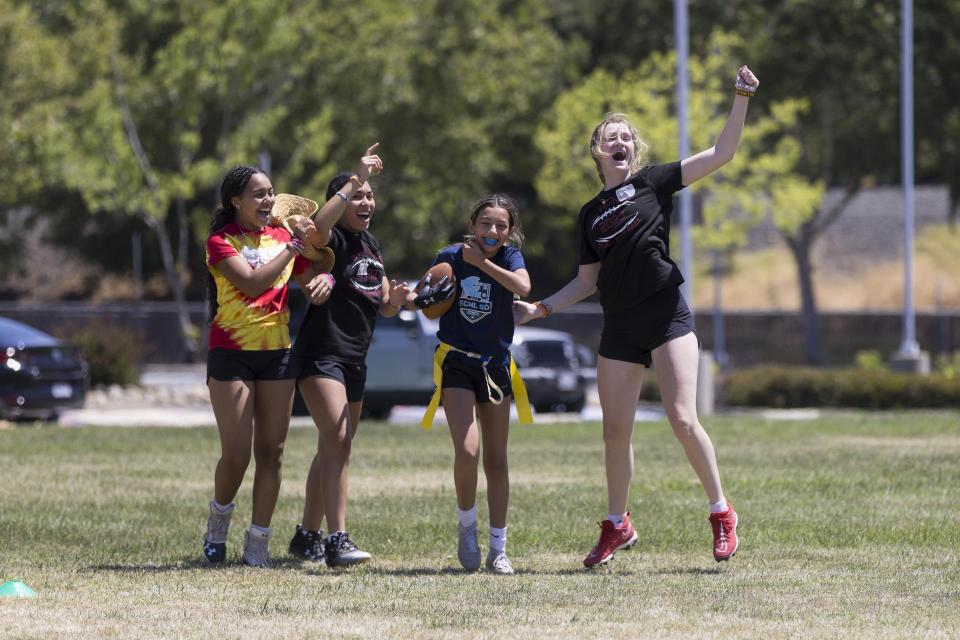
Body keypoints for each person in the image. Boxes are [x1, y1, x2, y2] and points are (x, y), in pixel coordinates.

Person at [515, 65, 759, 567]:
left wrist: (741, 97)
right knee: (613, 431)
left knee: (682, 417)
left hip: (667, 314)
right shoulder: (589, 215)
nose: (620, 141)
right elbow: (587, 282)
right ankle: (617, 524)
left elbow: (722, 154)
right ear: (597, 152)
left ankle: (721, 513)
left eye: (626, 136)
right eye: (611, 137)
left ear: (634, 150)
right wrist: (539, 308)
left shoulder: (652, 183)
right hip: (621, 325)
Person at [202, 165, 334, 567]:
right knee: (237, 453)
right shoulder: (220, 242)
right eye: (257, 194)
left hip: (278, 353)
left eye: (270, 193)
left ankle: (258, 538)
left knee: (273, 453)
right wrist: (293, 249)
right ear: (235, 201)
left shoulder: (283, 238)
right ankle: (218, 521)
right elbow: (254, 283)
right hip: (231, 353)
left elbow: (316, 272)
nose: (267, 201)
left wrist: (322, 282)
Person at [286, 144, 409, 567]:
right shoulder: (333, 236)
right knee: (337, 441)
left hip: (355, 359)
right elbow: (315, 233)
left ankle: (306, 535)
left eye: (369, 195)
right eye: (358, 195)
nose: (366, 201)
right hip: (322, 354)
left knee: (334, 448)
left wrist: (395, 301)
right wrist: (354, 178)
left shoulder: (371, 243)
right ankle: (337, 540)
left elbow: (380, 302)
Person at [413, 194, 533, 575]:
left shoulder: (510, 258)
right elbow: (425, 299)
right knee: (468, 451)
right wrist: (421, 296)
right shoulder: (449, 256)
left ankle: (499, 548)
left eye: (500, 225)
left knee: (496, 460)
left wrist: (482, 264)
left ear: (510, 231)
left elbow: (524, 287)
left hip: (495, 366)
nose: (492, 231)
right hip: (456, 363)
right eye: (485, 224)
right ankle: (467, 527)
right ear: (472, 225)